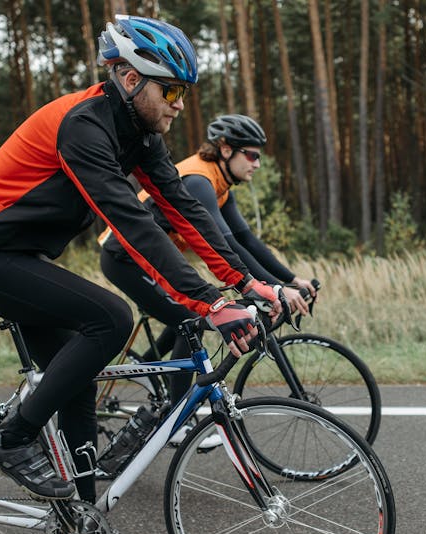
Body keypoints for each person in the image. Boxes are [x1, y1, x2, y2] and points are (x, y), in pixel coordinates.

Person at [0, 15, 278, 534]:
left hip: (19, 256)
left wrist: (247, 282)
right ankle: (14, 439)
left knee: (77, 375)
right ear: (130, 78)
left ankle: (83, 525)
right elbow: (131, 223)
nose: (179, 105)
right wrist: (211, 302)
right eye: (171, 91)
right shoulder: (83, 125)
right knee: (112, 318)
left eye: (184, 94)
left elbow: (182, 210)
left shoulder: (140, 135)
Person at [99, 114, 317, 412]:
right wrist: (274, 289)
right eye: (251, 155)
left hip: (151, 259)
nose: (257, 164)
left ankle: (148, 369)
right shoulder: (199, 181)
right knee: (191, 319)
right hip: (124, 258)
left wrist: (289, 280)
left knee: (187, 316)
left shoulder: (219, 186)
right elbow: (227, 245)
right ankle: (177, 416)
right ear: (226, 150)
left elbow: (246, 239)